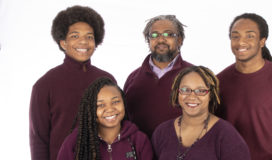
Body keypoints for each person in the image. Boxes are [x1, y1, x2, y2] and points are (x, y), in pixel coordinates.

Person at [29, 6, 116, 160]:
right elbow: (39, 139)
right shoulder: (44, 85)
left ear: (96, 42)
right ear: (63, 43)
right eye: (75, 36)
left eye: (89, 36)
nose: (83, 41)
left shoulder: (107, 80)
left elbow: (117, 127)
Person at [217, 13, 272, 160]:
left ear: (262, 41)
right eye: (235, 36)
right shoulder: (219, 81)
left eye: (249, 36)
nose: (241, 42)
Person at [152, 66, 250, 160]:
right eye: (185, 90)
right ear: (177, 93)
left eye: (201, 91)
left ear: (211, 95)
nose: (192, 96)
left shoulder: (227, 136)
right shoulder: (161, 132)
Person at [123, 15, 193, 138]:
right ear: (148, 40)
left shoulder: (195, 76)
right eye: (154, 35)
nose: (161, 40)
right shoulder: (133, 79)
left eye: (168, 34)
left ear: (180, 40)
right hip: (141, 153)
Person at [57, 77, 153, 160]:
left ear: (124, 103)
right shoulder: (75, 142)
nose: (110, 109)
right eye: (101, 105)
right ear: (91, 109)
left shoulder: (139, 140)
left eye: (115, 102)